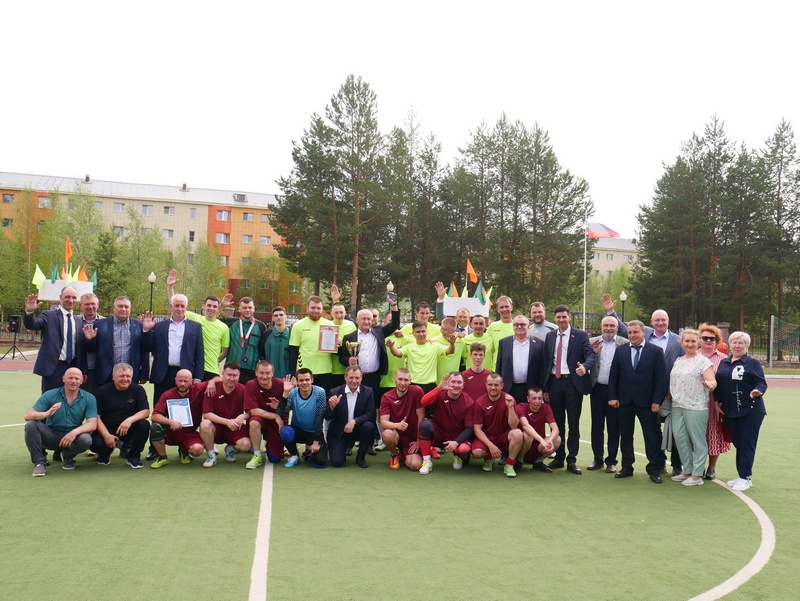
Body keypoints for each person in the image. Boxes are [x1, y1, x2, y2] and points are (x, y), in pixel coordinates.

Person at [608, 320, 668, 484]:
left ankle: (654, 469)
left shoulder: (655, 351)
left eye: (635, 332)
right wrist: (613, 396)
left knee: (651, 436)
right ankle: (627, 467)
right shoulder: (620, 351)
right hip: (625, 402)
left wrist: (657, 401)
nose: (632, 335)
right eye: (630, 333)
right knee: (626, 436)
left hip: (648, 403)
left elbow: (661, 379)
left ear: (643, 332)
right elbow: (614, 375)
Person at [541, 305, 595, 474]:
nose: (561, 320)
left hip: (573, 383)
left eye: (564, 316)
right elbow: (546, 362)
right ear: (554, 318)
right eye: (558, 317)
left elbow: (590, 355)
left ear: (569, 317)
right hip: (554, 383)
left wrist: (585, 367)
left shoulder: (580, 335)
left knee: (573, 423)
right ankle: (559, 457)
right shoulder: (550, 336)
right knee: (557, 424)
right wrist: (545, 388)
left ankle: (572, 460)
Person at [713, 331, 767, 492]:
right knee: (738, 443)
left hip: (750, 411)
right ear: (730, 344)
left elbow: (761, 383)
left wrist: (757, 391)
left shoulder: (752, 363)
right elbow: (719, 384)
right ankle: (741, 475)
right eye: (734, 342)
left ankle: (745, 477)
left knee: (746, 443)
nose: (737, 346)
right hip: (730, 411)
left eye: (741, 343)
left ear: (747, 345)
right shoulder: (724, 362)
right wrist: (716, 401)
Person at [24, 367, 98, 476]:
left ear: (82, 380)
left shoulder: (89, 398)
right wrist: (46, 414)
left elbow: (92, 424)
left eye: (77, 378)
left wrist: (74, 433)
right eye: (70, 378)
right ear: (63, 379)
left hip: (73, 438)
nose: (73, 381)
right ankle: (39, 463)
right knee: (31, 425)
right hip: (51, 435)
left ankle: (67, 456)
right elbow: (28, 415)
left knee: (86, 439)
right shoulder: (50, 394)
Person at [668, 329, 716, 486]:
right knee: (680, 438)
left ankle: (697, 475)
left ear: (698, 342)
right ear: (682, 343)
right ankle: (687, 470)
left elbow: (712, 381)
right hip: (677, 405)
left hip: (696, 406)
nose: (690, 344)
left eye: (693, 341)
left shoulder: (703, 362)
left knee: (697, 440)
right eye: (687, 341)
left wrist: (710, 384)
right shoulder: (678, 360)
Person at [167, 270, 231, 380]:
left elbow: (225, 351)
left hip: (212, 371)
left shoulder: (224, 328)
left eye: (214, 306)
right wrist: (170, 287)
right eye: (209, 305)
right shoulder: (196, 319)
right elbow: (176, 305)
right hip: (194, 369)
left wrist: (215, 360)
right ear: (203, 306)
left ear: (217, 308)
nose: (211, 308)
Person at [143, 293, 205, 406]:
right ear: (171, 306)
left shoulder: (195, 327)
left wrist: (198, 377)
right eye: (177, 305)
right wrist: (147, 330)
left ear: (186, 308)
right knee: (160, 406)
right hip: (163, 374)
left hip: (185, 374)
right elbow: (147, 347)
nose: (179, 309)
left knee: (183, 407)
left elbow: (199, 354)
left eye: (182, 306)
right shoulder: (159, 326)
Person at [645, 308, 685, 476]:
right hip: (649, 392)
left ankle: (677, 465)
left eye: (663, 320)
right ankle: (659, 463)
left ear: (668, 321)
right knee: (653, 431)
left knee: (676, 429)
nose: (660, 323)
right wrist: (611, 312)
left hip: (672, 392)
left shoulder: (678, 341)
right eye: (657, 320)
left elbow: (685, 363)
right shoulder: (645, 337)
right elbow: (625, 329)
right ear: (651, 322)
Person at [89, 362, 150, 468]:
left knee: (144, 425)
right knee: (95, 443)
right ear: (113, 377)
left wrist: (129, 420)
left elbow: (145, 411)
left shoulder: (138, 390)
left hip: (128, 429)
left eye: (128, 376)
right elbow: (96, 417)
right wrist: (106, 436)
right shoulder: (101, 391)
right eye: (121, 376)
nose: (125, 379)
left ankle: (134, 456)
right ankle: (104, 453)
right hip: (107, 429)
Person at [587, 315, 628, 473]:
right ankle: (598, 459)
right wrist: (593, 353)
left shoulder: (624, 344)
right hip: (597, 388)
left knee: (614, 427)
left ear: (617, 328)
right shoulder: (592, 342)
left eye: (612, 326)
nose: (609, 328)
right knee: (596, 426)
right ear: (601, 327)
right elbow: (586, 361)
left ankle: (611, 461)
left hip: (616, 391)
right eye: (606, 325)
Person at [81, 296, 150, 387]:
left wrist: (144, 373)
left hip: (129, 374)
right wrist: (89, 340)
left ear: (130, 309)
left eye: (126, 307)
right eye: (120, 306)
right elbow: (91, 349)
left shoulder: (139, 325)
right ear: (114, 307)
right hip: (105, 374)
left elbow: (145, 349)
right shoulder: (100, 324)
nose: (123, 309)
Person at [24, 286, 81, 393]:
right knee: (50, 399)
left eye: (74, 297)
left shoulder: (78, 321)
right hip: (53, 367)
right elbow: (33, 325)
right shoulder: (49, 315)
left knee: (70, 398)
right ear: (60, 297)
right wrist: (29, 312)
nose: (71, 300)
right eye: (67, 297)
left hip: (73, 367)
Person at [149, 369, 209, 468]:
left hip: (189, 432)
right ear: (175, 380)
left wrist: (211, 383)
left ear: (191, 381)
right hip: (171, 431)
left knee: (197, 450)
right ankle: (162, 457)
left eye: (185, 381)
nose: (182, 384)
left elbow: (218, 379)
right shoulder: (167, 394)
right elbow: (155, 415)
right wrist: (170, 422)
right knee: (155, 427)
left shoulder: (197, 389)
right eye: (180, 381)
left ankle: (184, 451)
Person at [417, 373, 475, 475]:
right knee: (425, 425)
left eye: (459, 382)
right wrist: (439, 388)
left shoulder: (469, 402)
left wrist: (456, 442)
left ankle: (457, 456)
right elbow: (423, 401)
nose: (456, 385)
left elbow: (469, 429)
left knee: (464, 450)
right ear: (448, 382)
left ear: (463, 385)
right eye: (453, 382)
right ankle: (427, 461)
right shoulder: (440, 394)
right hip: (439, 434)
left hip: (457, 437)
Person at [199, 362, 251, 467]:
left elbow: (251, 411)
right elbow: (207, 414)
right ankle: (211, 455)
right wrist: (227, 422)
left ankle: (230, 449)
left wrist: (243, 416)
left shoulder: (243, 390)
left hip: (235, 427)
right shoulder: (212, 388)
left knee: (246, 445)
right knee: (205, 424)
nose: (231, 378)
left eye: (235, 375)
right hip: (216, 428)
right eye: (229, 375)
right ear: (222, 373)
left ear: (239, 376)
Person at [471, 373, 524, 477]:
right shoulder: (480, 402)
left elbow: (514, 426)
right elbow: (477, 429)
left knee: (517, 433)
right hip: (487, 437)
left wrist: (510, 407)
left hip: (503, 436)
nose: (493, 388)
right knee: (477, 452)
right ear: (486, 385)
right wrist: (491, 446)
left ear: (502, 386)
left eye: (496, 385)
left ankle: (509, 465)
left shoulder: (509, 399)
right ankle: (489, 458)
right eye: (490, 385)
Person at [697, 323, 731, 480]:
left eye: (712, 338)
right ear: (700, 339)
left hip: (715, 402)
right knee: (696, 434)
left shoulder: (723, 359)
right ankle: (699, 466)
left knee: (714, 434)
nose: (708, 341)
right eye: (705, 338)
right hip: (695, 401)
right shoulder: (693, 356)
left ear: (717, 341)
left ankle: (711, 468)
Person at [324, 366, 376, 468]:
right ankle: (344, 446)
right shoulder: (334, 392)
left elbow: (371, 413)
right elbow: (327, 417)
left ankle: (360, 457)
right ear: (345, 377)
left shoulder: (368, 392)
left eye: (357, 378)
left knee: (369, 426)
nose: (354, 381)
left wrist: (354, 421)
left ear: (361, 378)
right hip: (339, 432)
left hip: (357, 429)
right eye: (351, 377)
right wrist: (331, 407)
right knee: (337, 462)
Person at [276, 369, 328, 468]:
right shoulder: (293, 393)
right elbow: (281, 412)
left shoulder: (320, 392)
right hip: (298, 431)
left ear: (312, 380)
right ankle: (295, 456)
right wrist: (286, 393)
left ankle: (310, 451)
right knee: (286, 432)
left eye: (307, 380)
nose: (304, 383)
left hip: (314, 433)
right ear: (297, 381)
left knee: (320, 463)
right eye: (301, 380)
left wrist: (316, 442)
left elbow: (319, 417)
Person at [387, 321, 455, 393]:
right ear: (413, 333)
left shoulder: (435, 346)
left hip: (430, 386)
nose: (421, 334)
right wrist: (391, 347)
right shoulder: (409, 347)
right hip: (413, 385)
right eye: (418, 332)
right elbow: (397, 353)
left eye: (423, 331)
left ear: (427, 331)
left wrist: (452, 344)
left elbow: (450, 351)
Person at [244, 360, 286, 469]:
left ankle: (273, 445)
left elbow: (289, 407)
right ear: (256, 372)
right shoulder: (251, 385)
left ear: (272, 373)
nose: (264, 376)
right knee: (254, 422)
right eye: (261, 373)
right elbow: (253, 411)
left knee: (275, 459)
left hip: (276, 424)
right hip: (261, 419)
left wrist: (280, 406)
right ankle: (257, 455)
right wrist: (275, 416)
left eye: (268, 373)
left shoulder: (282, 385)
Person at [379, 369, 423, 471]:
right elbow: (384, 422)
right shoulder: (386, 397)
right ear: (394, 379)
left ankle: (404, 454)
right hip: (396, 435)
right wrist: (397, 425)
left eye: (406, 380)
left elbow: (421, 417)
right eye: (400, 379)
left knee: (415, 465)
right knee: (387, 434)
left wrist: (418, 440)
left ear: (410, 381)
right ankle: (394, 454)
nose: (402, 383)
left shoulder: (417, 391)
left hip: (412, 438)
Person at [289, 296, 335, 393]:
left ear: (322, 309)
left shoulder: (330, 325)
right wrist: (293, 375)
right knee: (305, 400)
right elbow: (293, 353)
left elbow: (335, 351)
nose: (316, 310)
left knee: (323, 400)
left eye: (318, 308)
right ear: (307, 308)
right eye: (313, 308)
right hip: (305, 373)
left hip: (325, 372)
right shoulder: (298, 326)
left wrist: (337, 344)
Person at [495, 315, 543, 404]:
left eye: (522, 324)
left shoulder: (539, 344)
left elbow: (542, 368)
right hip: (509, 387)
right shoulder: (504, 342)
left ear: (528, 326)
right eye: (516, 324)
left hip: (530, 389)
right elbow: (499, 365)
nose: (519, 327)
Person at [516, 387, 561, 473]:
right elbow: (525, 426)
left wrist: (550, 440)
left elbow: (555, 428)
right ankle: (519, 461)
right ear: (528, 399)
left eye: (540, 398)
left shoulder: (546, 408)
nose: (537, 401)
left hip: (538, 447)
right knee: (527, 434)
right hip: (523, 447)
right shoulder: (521, 407)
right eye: (534, 398)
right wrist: (542, 440)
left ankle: (538, 462)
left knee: (557, 439)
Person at [227, 296, 268, 384]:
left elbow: (262, 349)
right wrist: (222, 306)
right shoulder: (231, 323)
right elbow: (213, 318)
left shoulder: (261, 326)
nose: (247, 310)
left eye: (250, 307)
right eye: (244, 308)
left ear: (254, 308)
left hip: (251, 369)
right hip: (232, 369)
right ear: (239, 309)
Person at [77, 292, 103, 392]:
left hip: (99, 367)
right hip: (79, 366)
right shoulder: (75, 321)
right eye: (87, 304)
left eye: (93, 304)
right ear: (81, 305)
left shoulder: (105, 322)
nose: (90, 307)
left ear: (98, 305)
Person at [330, 301, 357, 389]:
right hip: (331, 368)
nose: (339, 315)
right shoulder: (327, 326)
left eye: (341, 312)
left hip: (347, 368)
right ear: (331, 314)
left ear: (345, 313)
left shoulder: (351, 325)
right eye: (336, 313)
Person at [485, 296, 515, 369]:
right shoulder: (492, 326)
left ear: (511, 307)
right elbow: (484, 344)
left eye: (506, 306)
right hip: (497, 367)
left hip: (515, 368)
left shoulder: (518, 326)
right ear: (497, 310)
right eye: (501, 307)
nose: (504, 309)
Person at [264, 306, 291, 379]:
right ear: (273, 318)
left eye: (281, 315)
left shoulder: (292, 334)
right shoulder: (266, 335)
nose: (279, 317)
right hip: (269, 378)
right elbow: (262, 356)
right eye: (276, 315)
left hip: (287, 378)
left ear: (286, 317)